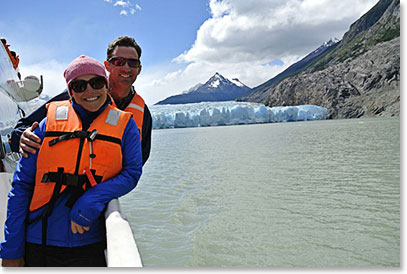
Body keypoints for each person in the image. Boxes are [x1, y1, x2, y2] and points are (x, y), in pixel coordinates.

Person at [0, 55, 143, 267]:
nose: (90, 91)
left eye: (97, 83)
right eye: (79, 85)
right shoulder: (45, 127)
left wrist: (91, 199)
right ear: (70, 92)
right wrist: (11, 250)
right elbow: (21, 187)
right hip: (38, 241)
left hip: (89, 242)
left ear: (106, 85)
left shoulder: (125, 126)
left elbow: (131, 173)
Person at [10, 36, 151, 165]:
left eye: (133, 63)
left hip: (106, 189)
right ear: (107, 66)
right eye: (119, 61)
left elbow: (138, 162)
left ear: (139, 69)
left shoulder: (143, 113)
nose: (126, 68)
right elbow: (21, 129)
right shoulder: (80, 94)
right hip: (62, 184)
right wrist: (24, 137)